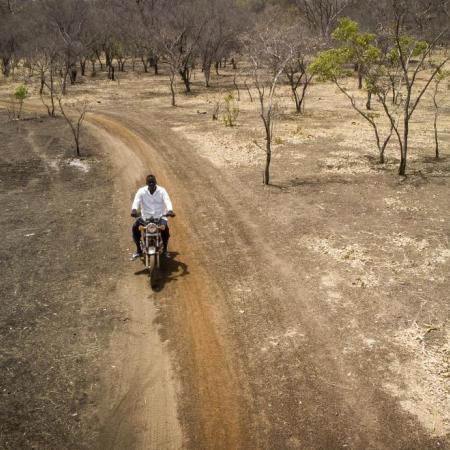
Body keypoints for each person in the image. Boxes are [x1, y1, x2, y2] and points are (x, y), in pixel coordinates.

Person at [130, 174, 175, 260]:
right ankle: (138, 250)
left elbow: (167, 201)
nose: (151, 184)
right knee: (135, 228)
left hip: (160, 216)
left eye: (153, 182)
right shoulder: (141, 191)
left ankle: (165, 249)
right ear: (146, 183)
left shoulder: (162, 191)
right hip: (145, 217)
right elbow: (136, 201)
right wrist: (134, 209)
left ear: (155, 182)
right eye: (149, 182)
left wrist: (170, 210)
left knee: (165, 230)